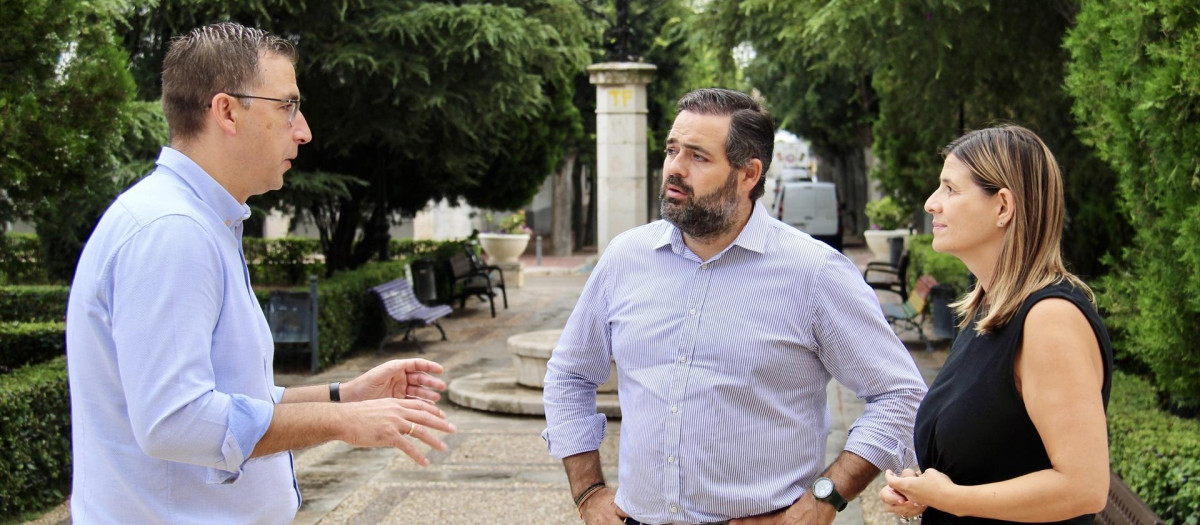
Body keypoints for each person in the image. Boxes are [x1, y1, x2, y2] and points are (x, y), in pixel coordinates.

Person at [65, 22, 455, 523]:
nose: (304, 130)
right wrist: (341, 422)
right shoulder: (172, 230)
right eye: (287, 106)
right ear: (227, 110)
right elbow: (176, 421)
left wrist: (343, 396)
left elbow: (233, 397)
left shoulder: (199, 222)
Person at [541, 88, 928, 525]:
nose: (675, 168)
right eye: (672, 150)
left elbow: (900, 395)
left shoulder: (814, 272)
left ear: (748, 174)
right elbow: (569, 374)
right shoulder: (626, 258)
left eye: (698, 156)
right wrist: (588, 490)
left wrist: (825, 498)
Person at [880, 125, 1114, 524]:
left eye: (950, 189)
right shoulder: (989, 309)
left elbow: (1084, 488)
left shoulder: (1050, 319)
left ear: (1003, 206)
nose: (931, 203)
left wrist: (954, 499)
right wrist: (926, 491)